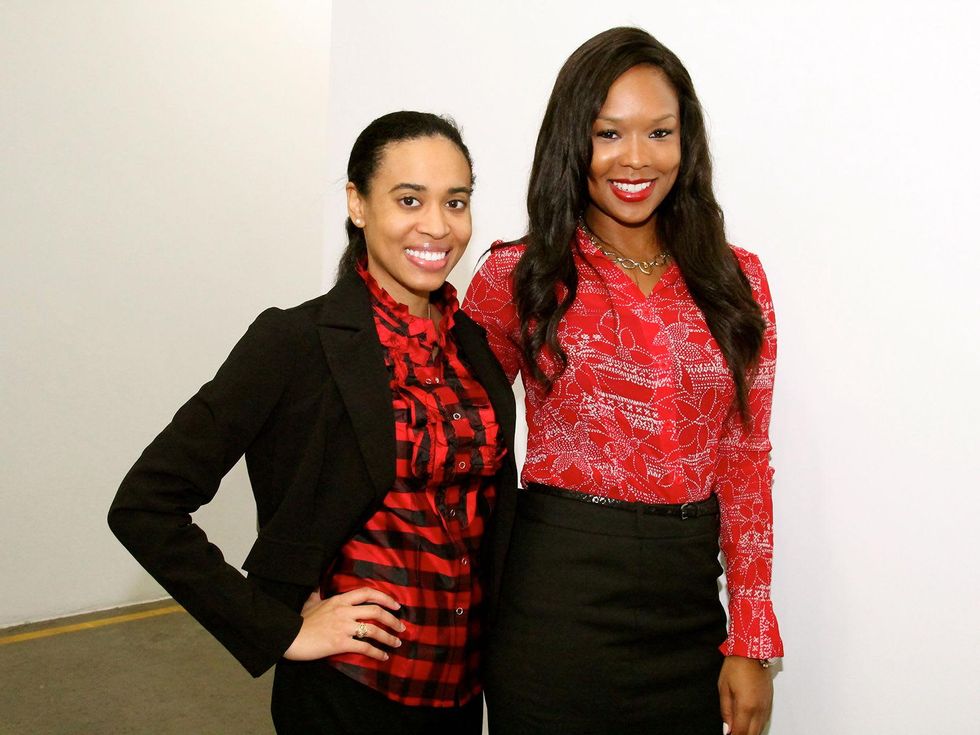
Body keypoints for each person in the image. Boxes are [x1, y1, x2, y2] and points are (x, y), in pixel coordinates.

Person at [108, 111, 517, 735]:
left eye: (455, 202)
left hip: (461, 695)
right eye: (409, 199)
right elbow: (144, 505)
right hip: (347, 695)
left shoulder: (474, 349)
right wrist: (279, 631)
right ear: (357, 204)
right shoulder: (294, 342)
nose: (438, 225)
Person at [464, 27, 783, 735]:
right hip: (556, 602)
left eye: (659, 132)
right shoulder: (518, 275)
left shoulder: (739, 281)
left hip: (688, 608)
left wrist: (751, 637)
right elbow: (450, 437)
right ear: (571, 142)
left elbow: (745, 460)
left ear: (686, 143)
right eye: (608, 133)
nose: (635, 157)